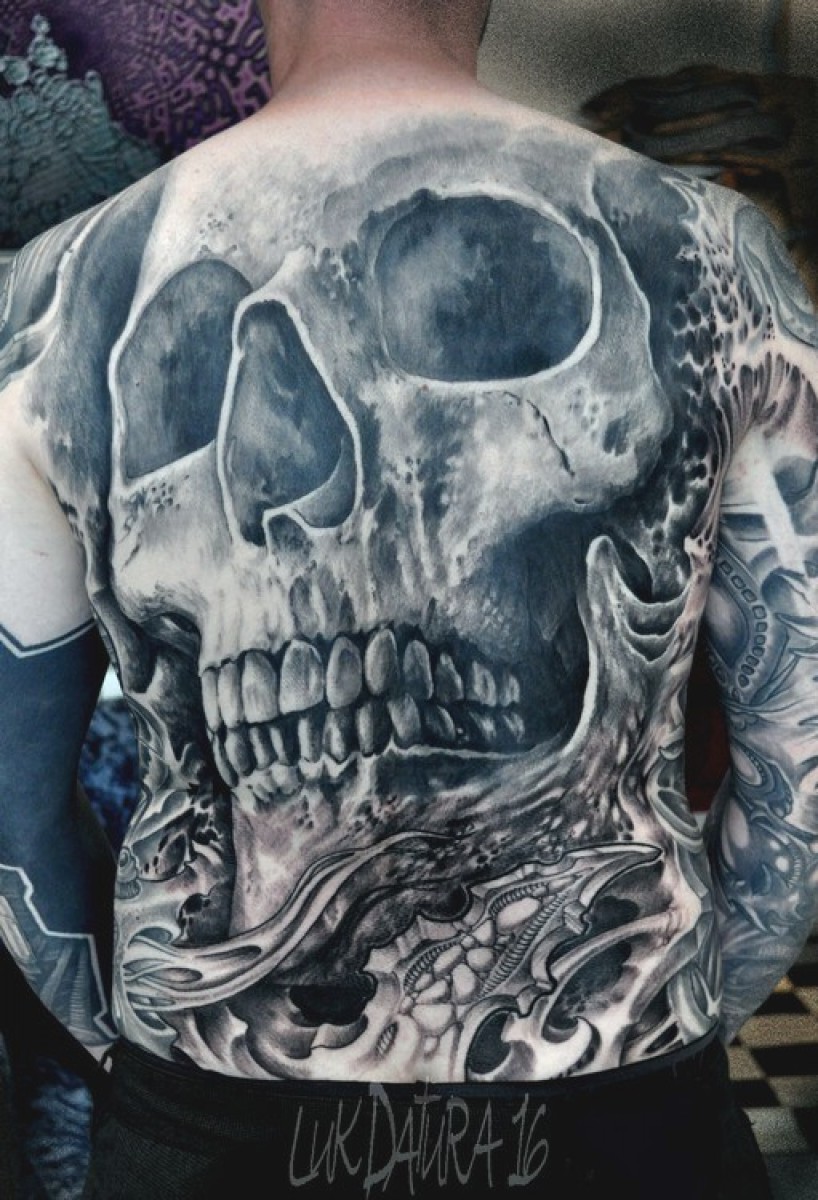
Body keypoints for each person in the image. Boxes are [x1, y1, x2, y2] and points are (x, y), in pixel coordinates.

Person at [1, 1, 816, 1195]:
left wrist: (149, 1073)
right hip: (626, 1110)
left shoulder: (52, 290)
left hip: (208, 1126)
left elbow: (13, 814)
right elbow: (800, 768)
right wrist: (680, 1028)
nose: (291, 493)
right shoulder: (709, 249)